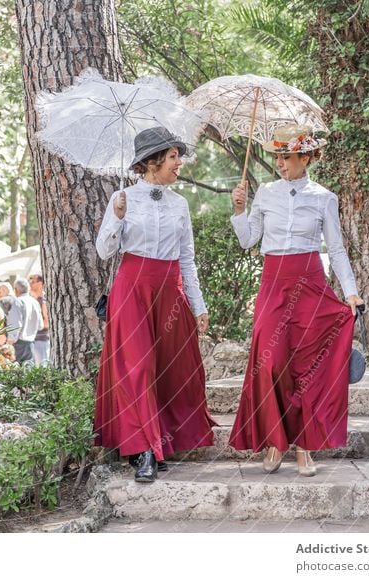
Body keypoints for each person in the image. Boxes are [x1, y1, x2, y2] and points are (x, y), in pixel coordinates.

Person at [227, 123, 365, 477]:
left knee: (308, 365)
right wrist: (239, 211)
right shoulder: (267, 192)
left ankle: (304, 447)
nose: (280, 163)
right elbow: (248, 241)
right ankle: (274, 440)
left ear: (305, 157)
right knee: (271, 361)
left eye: (286, 157)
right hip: (273, 283)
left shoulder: (324, 197)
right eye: (277, 157)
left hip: (310, 285)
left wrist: (349, 291)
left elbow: (335, 248)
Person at [94, 126, 217, 483]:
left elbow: (187, 258)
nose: (179, 162)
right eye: (174, 156)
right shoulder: (123, 198)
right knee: (138, 368)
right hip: (132, 290)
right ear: (152, 161)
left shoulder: (180, 204)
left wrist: (198, 304)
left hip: (170, 290)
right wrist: (116, 218)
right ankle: (143, 450)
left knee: (169, 368)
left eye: (178, 155)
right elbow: (104, 251)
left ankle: (161, 440)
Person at [5, 277, 42, 364]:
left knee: (17, 370)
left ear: (16, 290)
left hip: (19, 343)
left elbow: (15, 324)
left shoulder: (18, 302)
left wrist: (10, 341)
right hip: (31, 342)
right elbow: (40, 325)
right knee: (28, 369)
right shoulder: (35, 302)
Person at [28, 274, 50, 366]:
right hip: (33, 339)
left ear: (40, 283)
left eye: (33, 282)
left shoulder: (44, 299)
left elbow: (46, 322)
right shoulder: (32, 299)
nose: (30, 284)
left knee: (43, 366)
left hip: (42, 338)